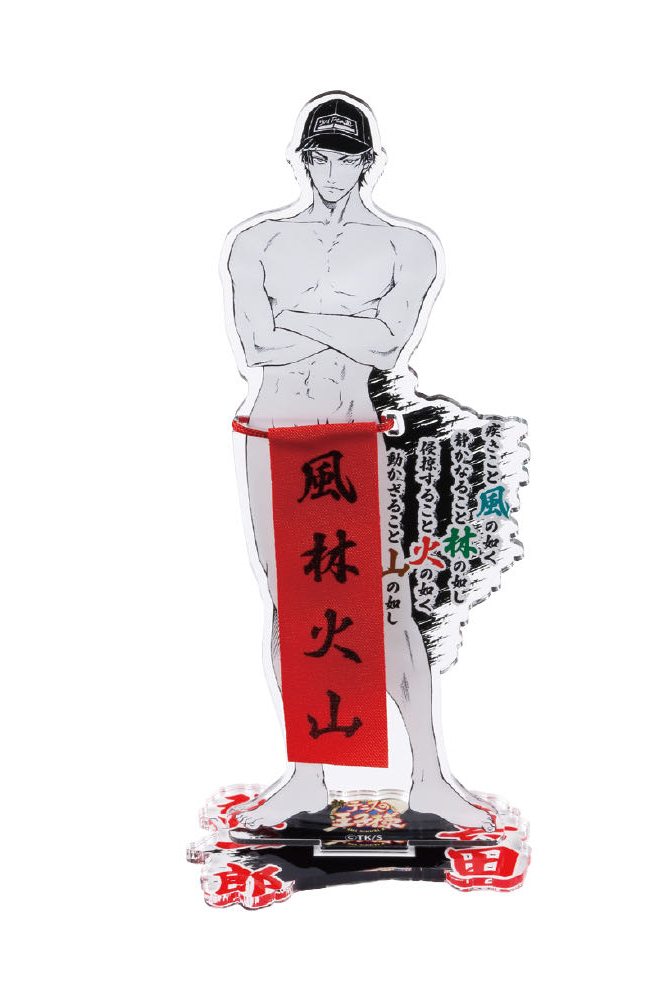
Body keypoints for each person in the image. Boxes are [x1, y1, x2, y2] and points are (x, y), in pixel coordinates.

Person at [225, 94, 494, 830]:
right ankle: (306, 778)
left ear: (368, 163)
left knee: (386, 600)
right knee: (292, 602)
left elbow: (389, 345)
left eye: (346, 157)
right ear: (302, 159)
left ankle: (429, 776)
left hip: (353, 430)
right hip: (274, 429)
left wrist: (299, 319)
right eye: (320, 156)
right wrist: (351, 324)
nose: (332, 170)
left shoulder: (407, 245)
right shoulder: (258, 241)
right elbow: (256, 344)